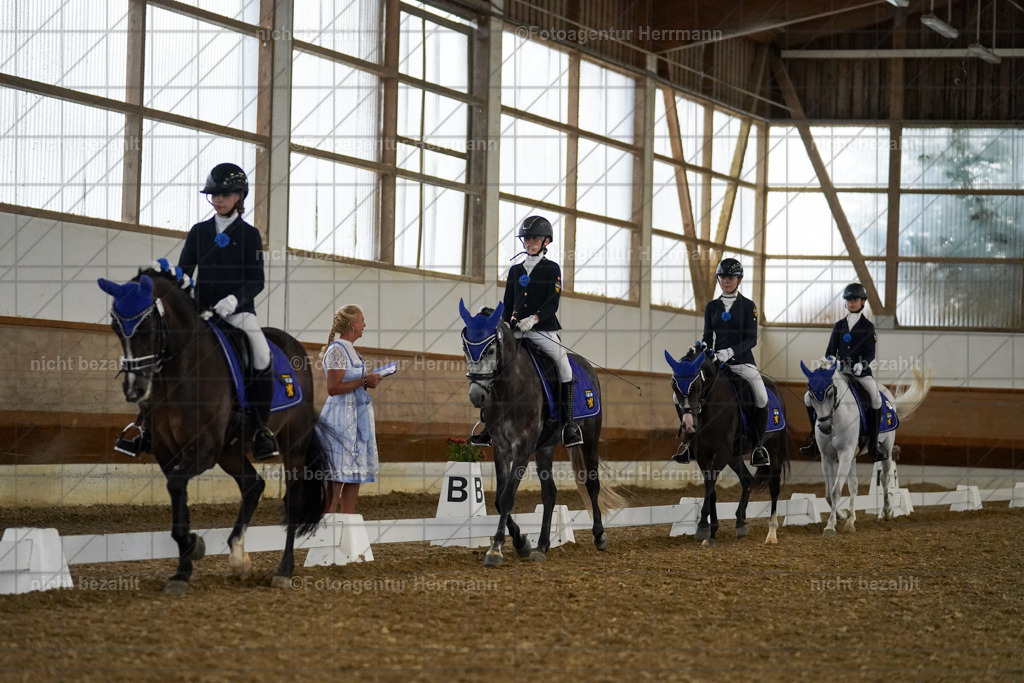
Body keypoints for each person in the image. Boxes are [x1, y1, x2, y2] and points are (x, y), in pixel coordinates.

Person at [113, 163, 279, 460]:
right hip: (201, 313)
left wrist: (232, 300)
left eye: (224, 194)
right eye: (213, 194)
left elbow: (257, 281)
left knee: (261, 353)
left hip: (238, 313)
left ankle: (261, 430)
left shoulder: (251, 235)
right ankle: (146, 427)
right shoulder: (199, 232)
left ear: (240, 196)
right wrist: (164, 277)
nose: (217, 199)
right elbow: (184, 273)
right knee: (162, 350)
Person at [469, 215, 583, 448]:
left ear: (546, 241)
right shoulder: (514, 271)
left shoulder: (552, 269)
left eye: (535, 238)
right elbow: (508, 303)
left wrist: (534, 319)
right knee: (494, 365)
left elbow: (553, 303)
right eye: (527, 238)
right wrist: (505, 322)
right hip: (517, 332)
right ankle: (488, 425)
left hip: (543, 331)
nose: (530, 242)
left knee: (564, 366)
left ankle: (569, 424)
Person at [674, 258, 769, 467]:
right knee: (685, 391)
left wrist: (730, 352)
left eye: (730, 278)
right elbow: (708, 336)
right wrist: (704, 349)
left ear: (739, 280)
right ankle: (690, 442)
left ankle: (758, 447)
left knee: (761, 395)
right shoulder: (712, 307)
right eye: (722, 277)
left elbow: (751, 339)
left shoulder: (748, 306)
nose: (726, 281)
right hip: (716, 363)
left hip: (742, 363)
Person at [800, 283, 884, 462]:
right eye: (849, 300)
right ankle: (815, 438)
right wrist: (832, 361)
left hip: (861, 373)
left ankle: (874, 443)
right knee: (808, 397)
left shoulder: (868, 326)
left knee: (876, 398)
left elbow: (871, 353)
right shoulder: (839, 325)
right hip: (839, 373)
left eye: (855, 300)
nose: (851, 303)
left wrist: (862, 364)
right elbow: (830, 351)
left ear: (862, 302)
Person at [319, 305, 382, 514]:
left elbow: (353, 381)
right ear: (353, 324)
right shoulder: (337, 349)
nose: (365, 325)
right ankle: (327, 528)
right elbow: (333, 388)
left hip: (357, 418)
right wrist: (364, 380)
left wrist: (366, 381)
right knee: (337, 476)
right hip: (340, 420)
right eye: (362, 320)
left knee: (355, 476)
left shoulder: (352, 351)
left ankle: (347, 525)